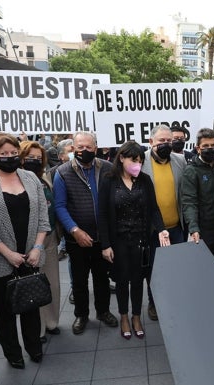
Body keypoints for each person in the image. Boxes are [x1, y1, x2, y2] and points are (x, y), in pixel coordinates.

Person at [0, 133, 50, 369]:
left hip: (31, 253)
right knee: (5, 309)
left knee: (32, 303)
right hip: (0, 257)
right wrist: (8, 254)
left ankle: (34, 347)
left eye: (13, 153)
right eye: (3, 154)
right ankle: (12, 353)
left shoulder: (31, 178)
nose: (10, 157)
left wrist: (37, 247)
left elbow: (43, 217)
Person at [98, 141, 170, 340]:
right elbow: (102, 214)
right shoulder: (108, 180)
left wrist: (162, 230)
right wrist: (105, 245)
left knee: (138, 281)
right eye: (133, 160)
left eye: (140, 160)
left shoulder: (145, 180)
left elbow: (154, 209)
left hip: (141, 240)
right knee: (122, 281)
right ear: (121, 158)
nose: (137, 164)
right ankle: (123, 317)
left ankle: (136, 316)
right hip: (118, 240)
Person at [53, 132, 118, 334]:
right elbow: (60, 206)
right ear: (73, 148)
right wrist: (74, 230)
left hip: (103, 237)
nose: (84, 151)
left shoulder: (107, 168)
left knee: (102, 278)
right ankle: (81, 315)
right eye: (80, 147)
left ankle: (103, 311)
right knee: (79, 281)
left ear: (96, 148)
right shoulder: (62, 172)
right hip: (76, 239)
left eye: (89, 147)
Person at [141, 124, 186, 321]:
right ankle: (154, 302)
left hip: (176, 227)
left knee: (176, 267)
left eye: (169, 141)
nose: (166, 144)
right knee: (154, 268)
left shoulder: (180, 161)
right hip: (151, 229)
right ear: (151, 142)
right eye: (161, 141)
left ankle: (174, 300)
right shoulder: (140, 161)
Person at [19, 141, 62, 342]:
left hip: (50, 237)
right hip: (29, 241)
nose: (34, 161)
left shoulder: (45, 178)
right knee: (33, 286)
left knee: (52, 282)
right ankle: (39, 329)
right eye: (30, 158)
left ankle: (52, 322)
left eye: (38, 158)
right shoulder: (15, 180)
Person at [181, 128, 214, 267]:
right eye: (206, 146)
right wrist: (194, 228)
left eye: (213, 146)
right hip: (205, 228)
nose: (210, 149)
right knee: (207, 267)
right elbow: (189, 201)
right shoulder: (191, 171)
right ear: (198, 148)